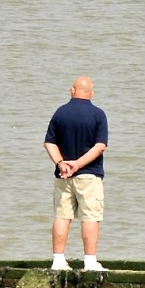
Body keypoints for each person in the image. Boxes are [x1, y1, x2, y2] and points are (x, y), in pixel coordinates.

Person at [44, 76, 108, 272]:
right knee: (90, 217)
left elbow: (49, 142)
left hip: (63, 175)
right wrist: (78, 164)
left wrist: (61, 163)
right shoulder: (98, 114)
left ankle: (58, 260)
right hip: (89, 175)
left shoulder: (60, 112)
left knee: (62, 216)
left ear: (72, 90)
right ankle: (89, 262)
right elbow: (100, 146)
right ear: (92, 93)